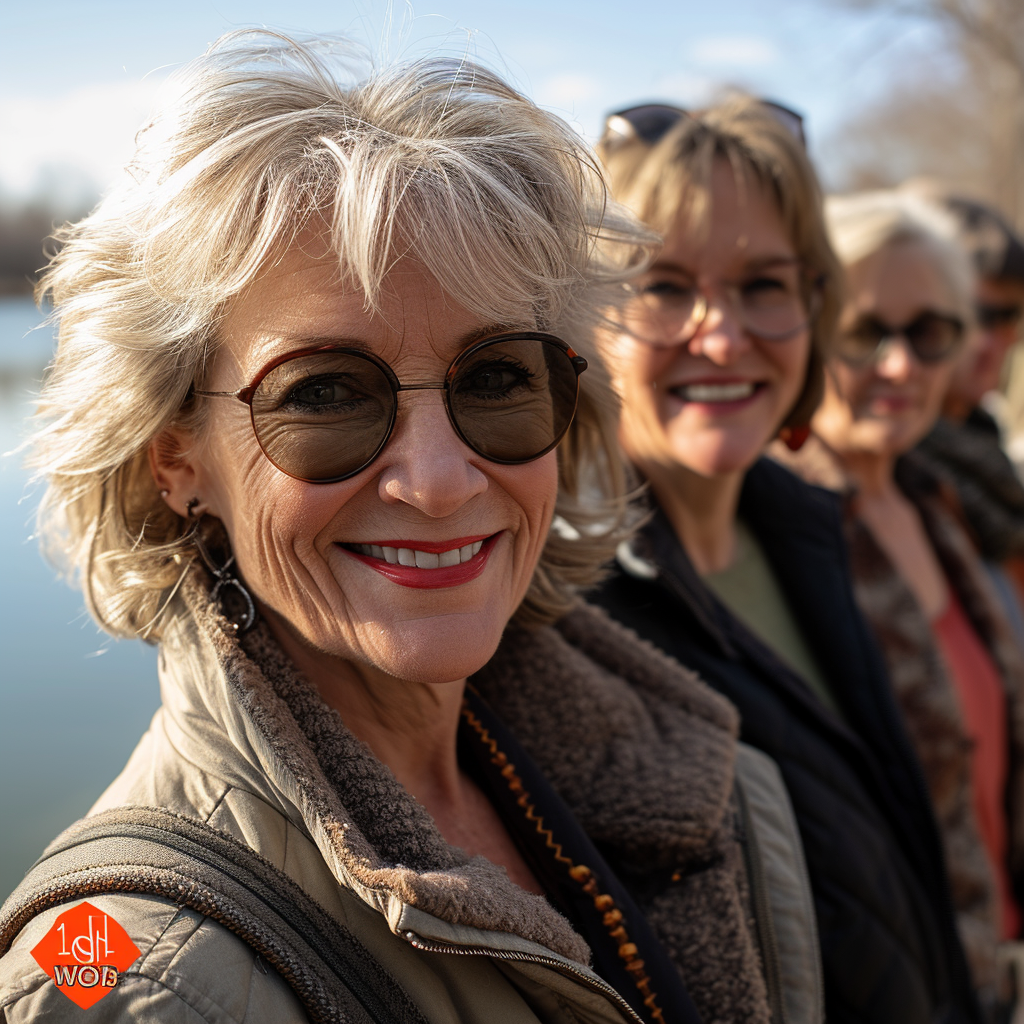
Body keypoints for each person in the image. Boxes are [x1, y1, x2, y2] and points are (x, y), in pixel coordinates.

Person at [0, 31, 815, 1024]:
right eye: (328, 392)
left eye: (497, 378)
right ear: (176, 458)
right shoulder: (129, 975)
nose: (435, 480)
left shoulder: (656, 763)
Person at [588, 99, 981, 1024]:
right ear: (590, 319)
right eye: (665, 286)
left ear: (812, 304)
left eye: (763, 284)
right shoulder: (564, 614)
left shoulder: (809, 536)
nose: (721, 336)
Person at [774, 188, 1024, 1010]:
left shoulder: (936, 502)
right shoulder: (776, 530)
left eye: (929, 334)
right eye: (862, 331)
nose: (899, 366)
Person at [911, 192, 1024, 650]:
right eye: (973, 313)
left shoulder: (984, 449)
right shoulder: (897, 472)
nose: (987, 340)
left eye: (1007, 316)